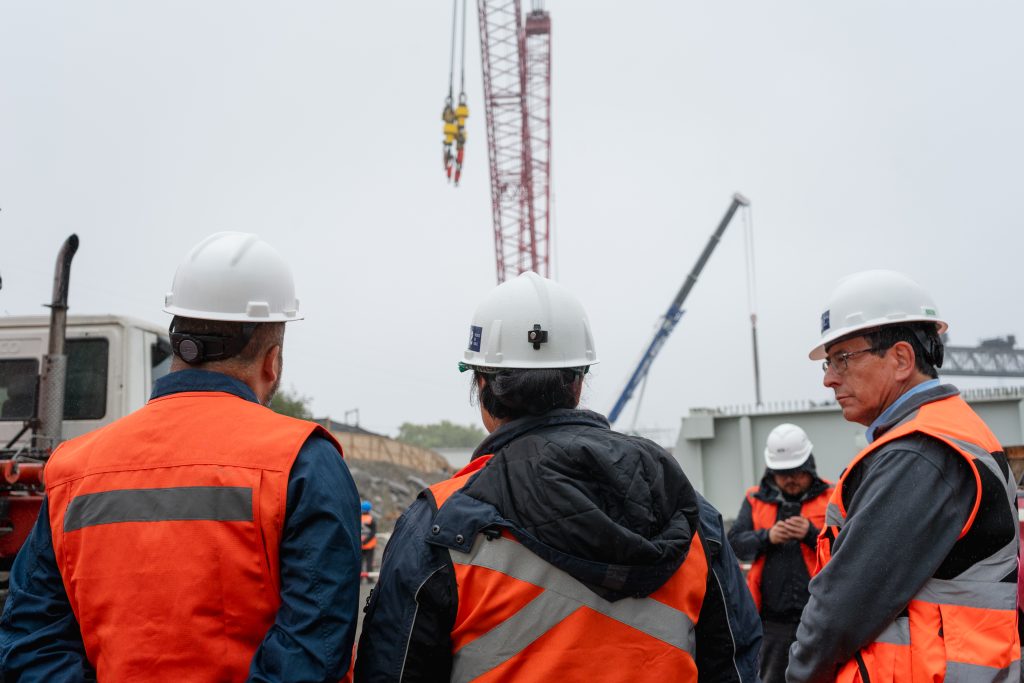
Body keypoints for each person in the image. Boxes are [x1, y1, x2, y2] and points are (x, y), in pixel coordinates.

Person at [355, 271, 761, 682]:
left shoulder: (442, 523)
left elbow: (391, 670)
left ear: (482, 385)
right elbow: (735, 664)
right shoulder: (684, 510)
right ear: (578, 383)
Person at [0, 231, 362, 682]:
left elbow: (31, 641)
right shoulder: (301, 460)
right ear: (272, 362)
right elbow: (314, 647)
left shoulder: (73, 469)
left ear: (178, 347)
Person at [786, 270, 1020, 682]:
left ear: (900, 359)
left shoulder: (921, 454)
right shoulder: (941, 437)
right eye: (828, 362)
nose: (829, 378)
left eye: (843, 358)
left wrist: (799, 674)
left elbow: (841, 606)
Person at [729, 423, 833, 683]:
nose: (790, 479)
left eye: (797, 472)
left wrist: (811, 534)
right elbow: (734, 544)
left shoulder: (832, 496)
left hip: (819, 618)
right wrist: (768, 537)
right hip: (770, 623)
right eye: (782, 473)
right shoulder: (754, 499)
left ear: (809, 466)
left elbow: (847, 549)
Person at [361, 499, 378, 582]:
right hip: (370, 545)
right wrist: (366, 541)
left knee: (360, 562)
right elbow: (373, 532)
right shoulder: (371, 519)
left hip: (360, 544)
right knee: (369, 562)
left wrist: (362, 541)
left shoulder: (358, 518)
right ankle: (369, 579)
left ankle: (359, 578)